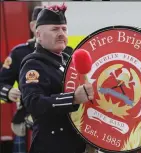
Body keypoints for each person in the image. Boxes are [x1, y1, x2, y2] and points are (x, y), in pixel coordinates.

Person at [19, 4, 95, 153]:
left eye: (64, 29)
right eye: (54, 29)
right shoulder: (33, 64)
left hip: (77, 144)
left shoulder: (68, 59)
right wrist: (72, 98)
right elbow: (34, 103)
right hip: (52, 145)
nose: (61, 33)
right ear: (38, 35)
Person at [0, 6, 44, 153]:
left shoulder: (65, 53)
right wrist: (8, 91)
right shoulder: (19, 53)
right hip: (27, 120)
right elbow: (1, 83)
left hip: (59, 119)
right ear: (33, 26)